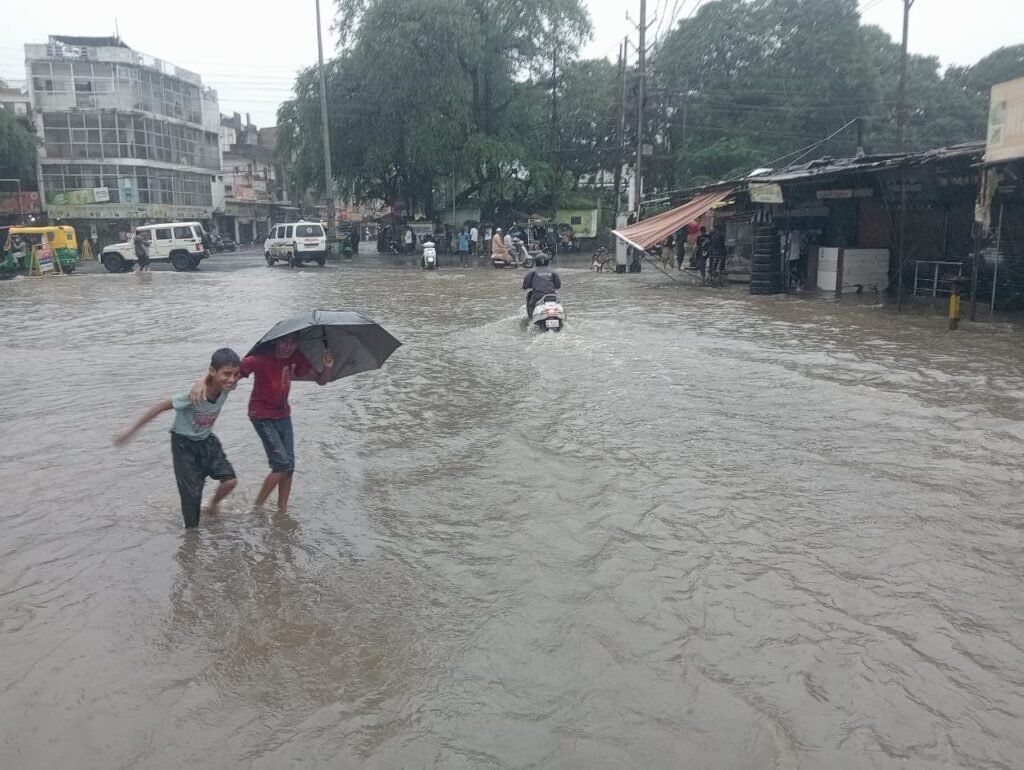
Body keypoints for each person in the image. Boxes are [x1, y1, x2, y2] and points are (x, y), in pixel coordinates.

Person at [113, 349, 242, 528]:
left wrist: (203, 378)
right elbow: (160, 407)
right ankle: (191, 540)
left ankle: (212, 505)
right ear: (213, 371)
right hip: (184, 445)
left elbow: (237, 370)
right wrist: (131, 429)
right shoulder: (194, 395)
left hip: (207, 441)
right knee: (192, 499)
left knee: (230, 481)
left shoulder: (229, 386)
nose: (231, 379)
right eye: (226, 374)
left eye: (235, 374)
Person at [211, 334, 334, 513]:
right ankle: (258, 506)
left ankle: (282, 510)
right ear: (276, 341)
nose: (288, 347)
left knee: (289, 467)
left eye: (292, 342)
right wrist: (203, 384)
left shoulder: (296, 357)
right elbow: (229, 373)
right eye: (284, 341)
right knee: (282, 465)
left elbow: (321, 380)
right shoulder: (259, 359)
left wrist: (328, 366)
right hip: (261, 415)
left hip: (284, 415)